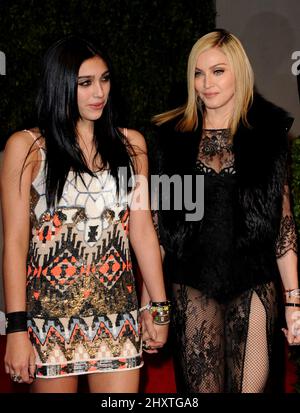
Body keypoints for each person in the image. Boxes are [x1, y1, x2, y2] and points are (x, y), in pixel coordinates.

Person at [1, 36, 169, 393]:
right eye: (85, 83)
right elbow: (14, 243)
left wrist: (159, 307)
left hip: (118, 319)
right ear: (60, 84)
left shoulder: (131, 145)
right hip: (49, 321)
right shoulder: (28, 147)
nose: (99, 93)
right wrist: (16, 329)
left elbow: (142, 233)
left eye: (105, 79)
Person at [148, 29, 300, 393]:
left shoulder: (266, 134)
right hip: (193, 283)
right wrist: (152, 307)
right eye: (198, 74)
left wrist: (294, 301)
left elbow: (283, 225)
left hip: (253, 281)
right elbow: (160, 234)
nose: (206, 83)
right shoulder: (174, 140)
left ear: (239, 72)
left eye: (218, 71)